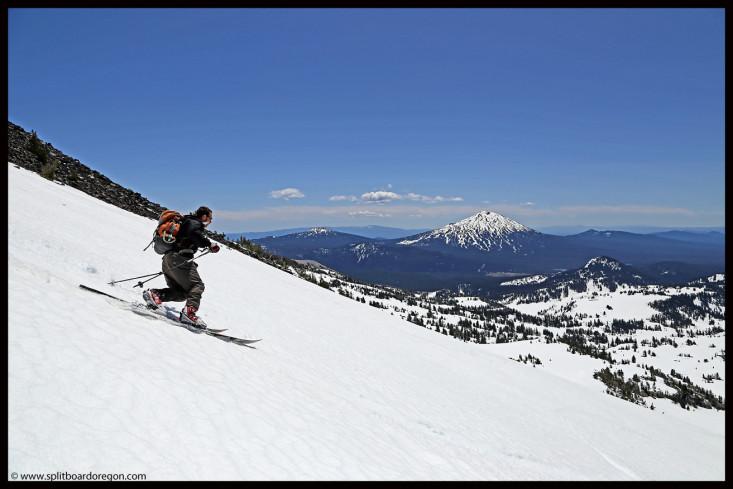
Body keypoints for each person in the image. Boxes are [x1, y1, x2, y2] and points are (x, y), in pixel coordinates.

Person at [143, 206, 220, 329]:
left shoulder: (188, 221)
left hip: (170, 259)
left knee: (182, 293)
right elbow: (194, 233)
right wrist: (209, 244)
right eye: (210, 219)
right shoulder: (195, 222)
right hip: (180, 259)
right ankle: (189, 314)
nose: (210, 222)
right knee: (197, 286)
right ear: (204, 216)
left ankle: (155, 295)